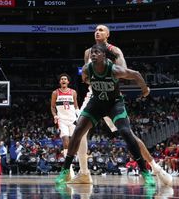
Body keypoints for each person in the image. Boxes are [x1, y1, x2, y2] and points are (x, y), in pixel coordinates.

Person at [70, 25, 171, 186]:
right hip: (94, 95)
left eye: (102, 30)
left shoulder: (115, 50)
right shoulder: (88, 52)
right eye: (96, 29)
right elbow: (87, 75)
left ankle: (156, 168)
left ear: (108, 35)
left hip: (111, 96)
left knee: (128, 134)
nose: (98, 31)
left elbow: (123, 71)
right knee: (79, 131)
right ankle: (84, 173)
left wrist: (109, 77)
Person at [55, 44, 152, 187]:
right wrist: (89, 81)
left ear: (104, 56)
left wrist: (145, 90)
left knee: (126, 132)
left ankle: (145, 172)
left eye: (96, 52)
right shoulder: (88, 68)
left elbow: (136, 74)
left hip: (114, 104)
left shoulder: (113, 70)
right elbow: (85, 78)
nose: (93, 55)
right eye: (92, 53)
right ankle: (65, 171)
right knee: (78, 131)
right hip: (97, 103)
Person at [50, 74, 79, 159]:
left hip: (73, 119)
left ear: (68, 82)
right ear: (60, 82)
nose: (63, 80)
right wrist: (55, 115)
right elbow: (52, 107)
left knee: (73, 141)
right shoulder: (55, 93)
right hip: (62, 120)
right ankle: (68, 165)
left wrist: (79, 115)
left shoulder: (73, 92)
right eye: (62, 79)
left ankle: (73, 158)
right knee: (66, 141)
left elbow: (76, 106)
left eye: (65, 79)